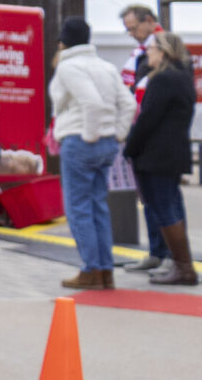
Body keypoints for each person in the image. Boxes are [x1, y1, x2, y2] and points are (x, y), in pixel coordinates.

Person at [47, 17, 137, 289]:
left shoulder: (68, 67)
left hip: (80, 140)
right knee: (98, 206)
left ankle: (90, 269)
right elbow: (129, 105)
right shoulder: (106, 67)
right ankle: (105, 270)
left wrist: (88, 136)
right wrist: (117, 133)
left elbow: (92, 104)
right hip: (108, 143)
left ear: (64, 41)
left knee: (78, 209)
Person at [123, 31, 200, 286]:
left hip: (157, 155)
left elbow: (148, 119)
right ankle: (180, 264)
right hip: (172, 153)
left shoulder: (163, 79)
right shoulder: (182, 76)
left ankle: (182, 267)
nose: (148, 53)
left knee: (164, 207)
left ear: (164, 52)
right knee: (171, 205)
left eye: (153, 49)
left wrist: (130, 148)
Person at [119, 4, 172, 273]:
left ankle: (171, 257)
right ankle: (156, 251)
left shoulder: (165, 56)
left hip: (158, 140)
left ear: (149, 21)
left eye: (134, 28)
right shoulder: (141, 56)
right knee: (150, 198)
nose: (132, 34)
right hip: (143, 138)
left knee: (165, 200)